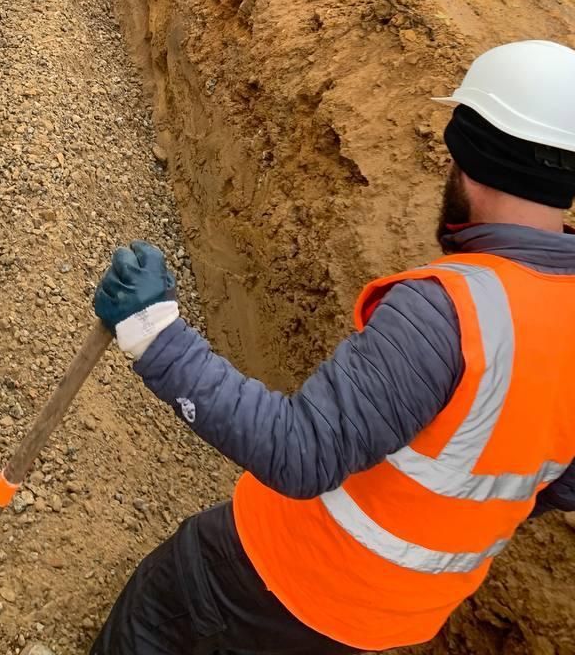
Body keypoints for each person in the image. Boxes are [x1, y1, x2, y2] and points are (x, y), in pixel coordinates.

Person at [91, 40, 575, 654]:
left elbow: (302, 452)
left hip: (287, 573)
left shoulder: (451, 313)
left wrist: (151, 332)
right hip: (392, 625)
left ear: (468, 150)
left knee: (157, 611)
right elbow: (555, 487)